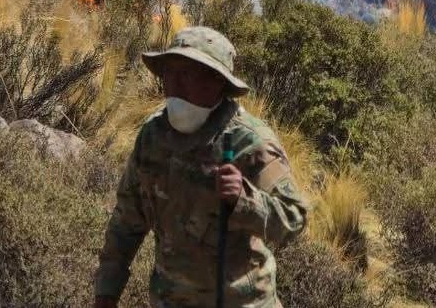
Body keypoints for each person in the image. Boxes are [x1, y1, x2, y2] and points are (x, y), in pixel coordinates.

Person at [93, 27, 309, 308]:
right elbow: (126, 220)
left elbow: (294, 219)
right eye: (170, 72)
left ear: (216, 83)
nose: (175, 83)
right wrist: (107, 292)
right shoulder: (153, 137)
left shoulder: (249, 142)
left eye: (188, 73)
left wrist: (245, 201)